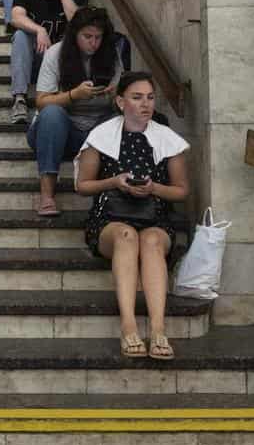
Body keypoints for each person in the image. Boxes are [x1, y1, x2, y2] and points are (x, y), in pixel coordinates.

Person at [76, 72, 190, 361]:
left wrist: (154, 188)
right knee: (127, 236)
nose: (145, 104)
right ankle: (128, 327)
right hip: (110, 219)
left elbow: (181, 191)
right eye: (137, 97)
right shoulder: (101, 136)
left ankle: (158, 329)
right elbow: (83, 186)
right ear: (120, 101)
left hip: (156, 217)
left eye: (150, 98)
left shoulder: (168, 138)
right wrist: (114, 182)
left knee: (151, 241)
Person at [27, 8, 121, 216]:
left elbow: (120, 103)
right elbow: (41, 101)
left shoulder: (110, 55)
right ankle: (47, 196)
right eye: (87, 37)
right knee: (52, 113)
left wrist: (116, 96)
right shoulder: (57, 53)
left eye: (98, 37)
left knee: (122, 120)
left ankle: (117, 199)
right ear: (75, 34)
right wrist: (74, 95)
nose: (93, 43)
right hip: (60, 130)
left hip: (96, 131)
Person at [8, 0, 85, 124]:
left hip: (61, 62)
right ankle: (19, 99)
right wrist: (39, 30)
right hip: (35, 57)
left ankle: (56, 101)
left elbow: (79, 23)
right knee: (20, 36)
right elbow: (16, 17)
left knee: (71, 40)